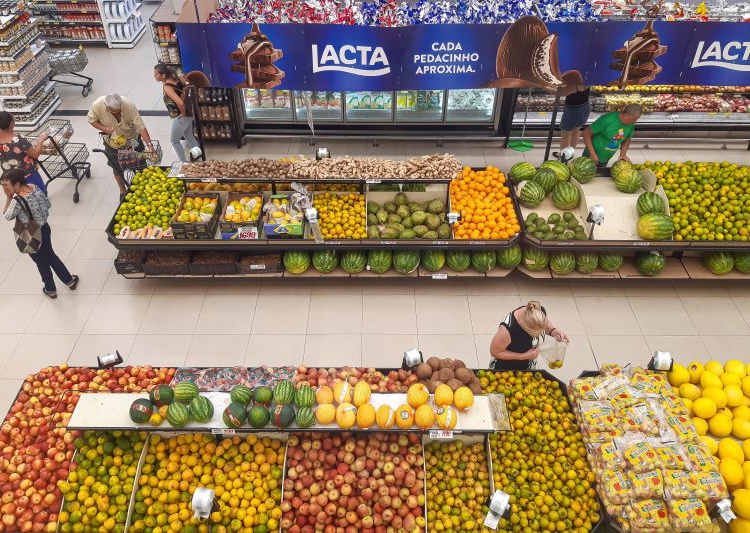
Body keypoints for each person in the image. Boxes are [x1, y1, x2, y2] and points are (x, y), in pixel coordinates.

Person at [2, 169, 78, 299]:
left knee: (41, 261)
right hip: (44, 228)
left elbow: (7, 215)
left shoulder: (17, 201)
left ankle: (51, 289)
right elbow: (47, 205)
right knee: (50, 255)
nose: (4, 189)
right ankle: (69, 281)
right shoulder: (34, 187)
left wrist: (9, 197)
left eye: (6, 185)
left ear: (17, 185)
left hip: (31, 234)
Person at [87, 93, 154, 199]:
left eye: (118, 111)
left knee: (141, 163)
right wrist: (104, 129)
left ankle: (145, 185)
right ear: (106, 106)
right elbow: (91, 120)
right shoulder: (97, 105)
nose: (117, 113)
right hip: (112, 143)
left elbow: (140, 126)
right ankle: (122, 190)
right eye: (113, 112)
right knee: (117, 167)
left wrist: (150, 145)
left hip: (132, 139)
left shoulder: (128, 105)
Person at [489, 301, 569, 371]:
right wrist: (523, 356)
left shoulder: (536, 311)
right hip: (506, 369)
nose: (538, 334)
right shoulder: (507, 331)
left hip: (528, 364)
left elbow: (545, 322)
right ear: (525, 326)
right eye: (534, 333)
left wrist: (553, 331)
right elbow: (495, 352)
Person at [153, 64, 201, 163]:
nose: (154, 76)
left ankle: (183, 163)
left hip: (180, 118)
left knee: (174, 141)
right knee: (190, 137)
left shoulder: (167, 87)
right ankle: (200, 159)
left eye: (156, 74)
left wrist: (182, 114)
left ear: (163, 76)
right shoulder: (178, 79)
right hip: (189, 114)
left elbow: (179, 102)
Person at [0, 111, 49, 194]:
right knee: (40, 195)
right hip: (28, 175)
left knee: (23, 197)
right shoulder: (18, 139)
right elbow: (35, 154)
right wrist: (41, 139)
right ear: (12, 123)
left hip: (12, 179)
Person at [582, 104, 642, 168]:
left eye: (636, 119)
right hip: (590, 156)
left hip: (605, 159)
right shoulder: (607, 120)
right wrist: (592, 153)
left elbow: (627, 139)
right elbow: (586, 133)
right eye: (634, 119)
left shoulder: (631, 124)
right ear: (627, 115)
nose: (635, 121)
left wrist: (623, 154)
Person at [553, 86, 591, 161]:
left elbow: (561, 92)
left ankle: (564, 157)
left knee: (565, 134)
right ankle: (570, 152)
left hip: (573, 109)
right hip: (586, 105)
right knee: (576, 130)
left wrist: (542, 85)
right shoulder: (588, 76)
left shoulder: (574, 78)